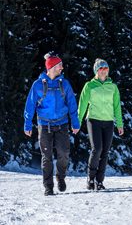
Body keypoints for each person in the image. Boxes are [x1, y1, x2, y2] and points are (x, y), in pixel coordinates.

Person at [24, 52, 80, 196]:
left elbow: (72, 104)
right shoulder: (37, 85)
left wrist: (75, 122)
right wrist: (27, 124)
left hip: (62, 124)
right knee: (46, 157)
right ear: (52, 66)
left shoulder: (64, 84)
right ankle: (48, 186)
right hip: (44, 125)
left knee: (64, 154)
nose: (62, 67)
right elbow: (30, 105)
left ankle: (60, 177)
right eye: (59, 65)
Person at [78, 58, 124, 190]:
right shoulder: (90, 86)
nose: (104, 71)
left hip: (108, 122)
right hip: (93, 120)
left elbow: (117, 107)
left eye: (106, 68)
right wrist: (77, 122)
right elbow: (82, 105)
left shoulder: (113, 87)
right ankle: (90, 178)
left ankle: (99, 181)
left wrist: (120, 124)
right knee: (96, 149)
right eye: (101, 69)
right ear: (96, 71)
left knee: (105, 152)